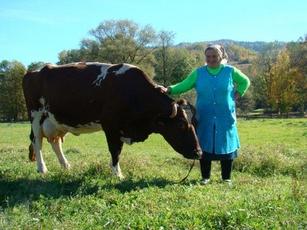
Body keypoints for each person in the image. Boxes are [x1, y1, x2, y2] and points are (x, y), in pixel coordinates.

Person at [160, 44, 250, 184]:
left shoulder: (230, 71)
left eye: (215, 56)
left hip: (225, 115)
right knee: (204, 144)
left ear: (221, 56)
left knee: (226, 145)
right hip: (204, 115)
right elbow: (184, 85)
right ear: (205, 57)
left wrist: (238, 93)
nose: (211, 59)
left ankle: (226, 178)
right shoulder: (199, 73)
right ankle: (205, 177)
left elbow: (245, 81)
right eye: (208, 56)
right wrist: (169, 89)